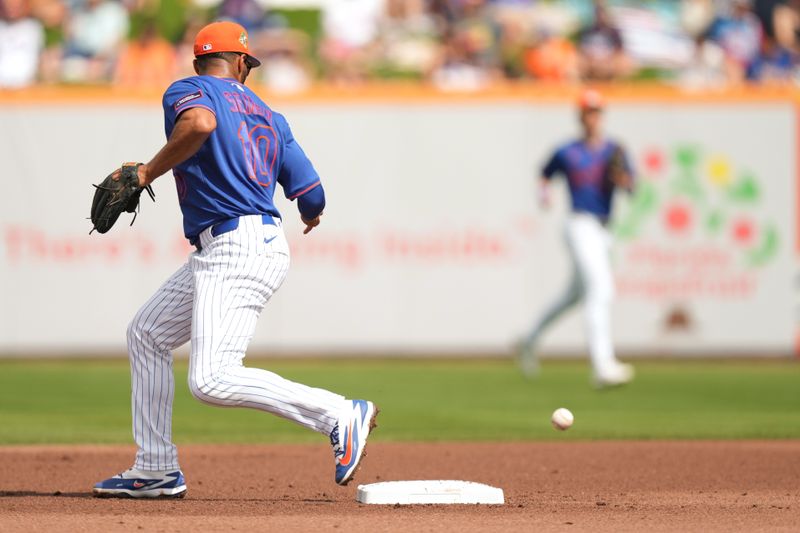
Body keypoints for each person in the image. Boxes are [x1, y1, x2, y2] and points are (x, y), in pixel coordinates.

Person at [92, 21, 379, 499]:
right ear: (242, 62)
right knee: (147, 333)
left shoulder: (188, 88)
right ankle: (156, 467)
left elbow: (201, 122)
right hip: (238, 245)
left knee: (212, 379)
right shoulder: (269, 113)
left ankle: (337, 413)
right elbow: (311, 192)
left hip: (236, 246)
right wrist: (311, 215)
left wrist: (145, 173)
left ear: (198, 62)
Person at [518, 89, 635, 389]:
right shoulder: (567, 151)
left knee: (572, 296)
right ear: (580, 116)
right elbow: (544, 174)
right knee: (601, 288)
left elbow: (632, 187)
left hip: (604, 229)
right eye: (588, 112)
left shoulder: (614, 150)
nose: (592, 117)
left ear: (602, 116)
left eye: (597, 112)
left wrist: (622, 179)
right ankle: (602, 365)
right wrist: (543, 195)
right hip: (579, 224)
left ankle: (527, 340)